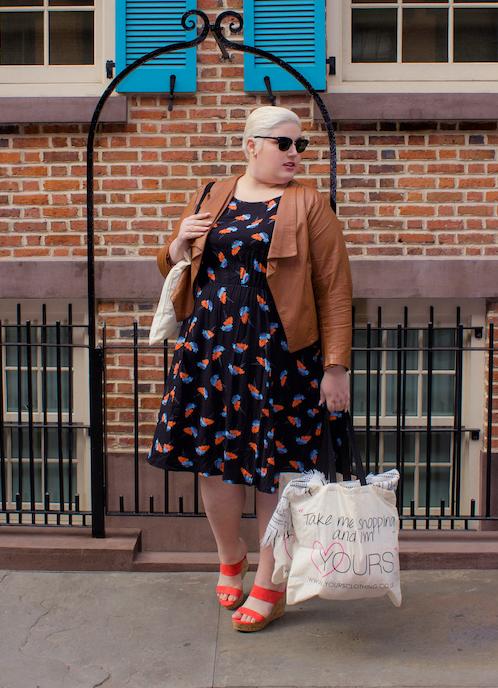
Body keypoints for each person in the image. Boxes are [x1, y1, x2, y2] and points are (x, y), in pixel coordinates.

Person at [148, 106, 352, 632]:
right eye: (283, 143)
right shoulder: (215, 192)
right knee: (215, 462)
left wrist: (335, 368)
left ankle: (270, 578)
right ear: (250, 145)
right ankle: (229, 555)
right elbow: (182, 266)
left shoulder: (310, 204)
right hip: (212, 348)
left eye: (300, 146)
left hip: (279, 353)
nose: (293, 154)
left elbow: (334, 290)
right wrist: (175, 245)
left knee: (273, 472)